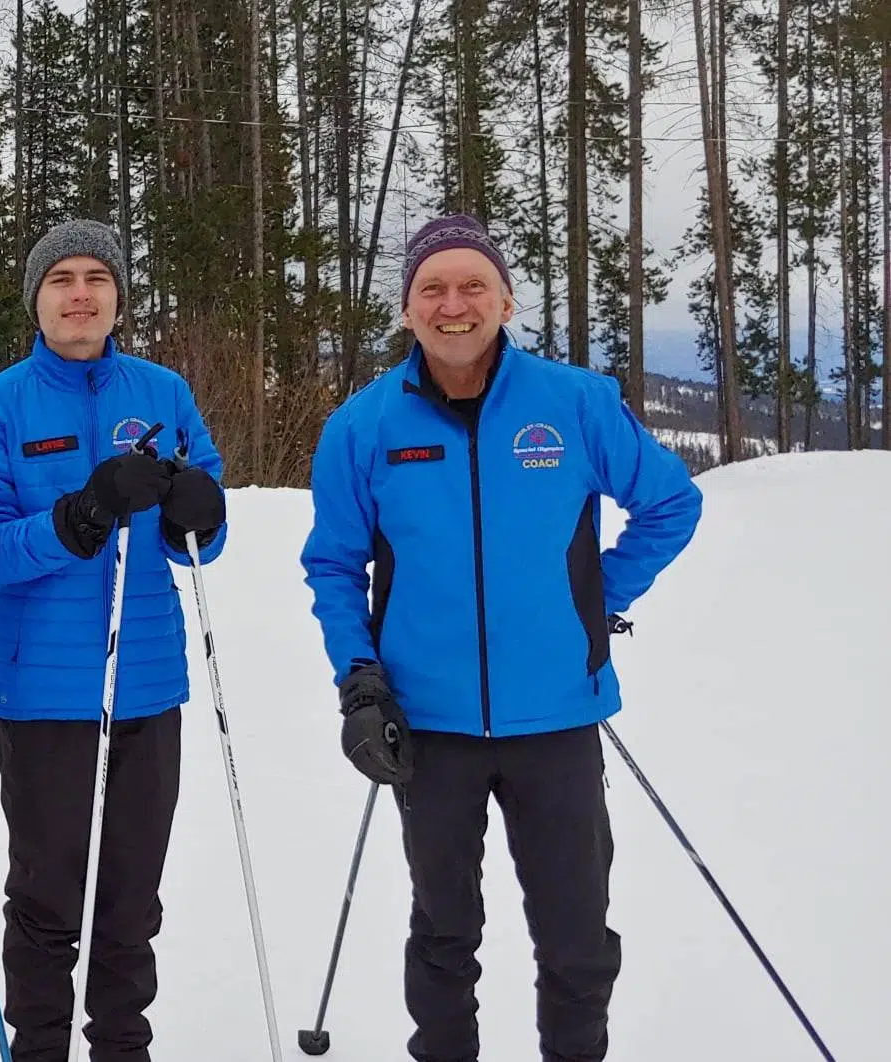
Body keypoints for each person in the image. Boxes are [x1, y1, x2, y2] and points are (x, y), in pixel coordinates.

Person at [299, 214, 703, 1062]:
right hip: (430, 726)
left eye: (472, 285)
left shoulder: (577, 404)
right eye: (432, 289)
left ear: (506, 299)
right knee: (444, 934)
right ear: (407, 310)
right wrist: (360, 679)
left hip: (556, 719)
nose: (454, 305)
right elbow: (333, 567)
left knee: (576, 940)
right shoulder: (363, 426)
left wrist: (592, 600)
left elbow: (672, 503)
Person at [0, 218, 228, 1062]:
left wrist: (201, 510)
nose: (80, 294)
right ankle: (37, 1048)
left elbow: (205, 533)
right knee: (46, 894)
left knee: (131, 894)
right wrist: (82, 514)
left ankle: (120, 1047)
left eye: (96, 279)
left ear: (116, 296)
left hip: (147, 684)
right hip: (44, 693)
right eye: (62, 279)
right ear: (37, 300)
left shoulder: (163, 392)